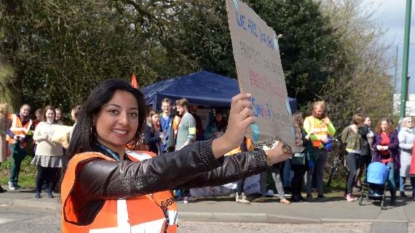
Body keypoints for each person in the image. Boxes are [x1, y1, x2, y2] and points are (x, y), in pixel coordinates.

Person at [61, 79, 292, 233]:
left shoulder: (142, 158)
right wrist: (224, 142)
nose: (125, 121)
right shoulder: (84, 168)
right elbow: (145, 175)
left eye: (133, 114)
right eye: (114, 111)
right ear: (92, 117)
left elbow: (214, 171)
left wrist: (272, 154)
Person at [303, 101, 336, 199]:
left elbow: (333, 132)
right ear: (313, 110)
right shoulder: (308, 120)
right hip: (313, 149)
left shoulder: (325, 120)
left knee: (320, 172)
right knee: (310, 171)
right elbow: (307, 133)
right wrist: (319, 137)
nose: (319, 113)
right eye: (317, 111)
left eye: (321, 111)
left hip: (324, 149)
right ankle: (308, 192)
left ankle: (320, 193)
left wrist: (328, 123)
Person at [31, 105, 63, 198]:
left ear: (54, 114)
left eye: (52, 113)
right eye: (48, 113)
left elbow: (63, 137)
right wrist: (42, 137)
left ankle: (50, 192)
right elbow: (35, 137)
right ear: (45, 114)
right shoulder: (41, 124)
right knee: (41, 173)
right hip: (42, 152)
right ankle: (38, 191)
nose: (50, 115)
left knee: (52, 174)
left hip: (55, 152)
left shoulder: (59, 125)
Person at [373, 117, 400, 205]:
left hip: (390, 158)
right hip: (379, 158)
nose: (384, 126)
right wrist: (377, 146)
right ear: (380, 125)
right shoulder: (377, 134)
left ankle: (393, 196)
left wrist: (388, 147)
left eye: (385, 124)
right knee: (380, 176)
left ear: (388, 125)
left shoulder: (393, 133)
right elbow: (373, 144)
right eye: (382, 124)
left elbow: (396, 144)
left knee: (391, 177)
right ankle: (379, 195)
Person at [6, 104, 32, 190]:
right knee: (16, 160)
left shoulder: (30, 121)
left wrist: (23, 139)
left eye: (28, 110)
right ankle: (11, 181)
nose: (26, 111)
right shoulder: (12, 116)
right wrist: (14, 136)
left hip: (21, 144)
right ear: (20, 109)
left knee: (19, 161)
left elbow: (30, 133)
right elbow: (6, 128)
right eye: (24, 109)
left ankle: (15, 182)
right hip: (11, 142)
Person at [290, 112, 314, 202]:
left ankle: (298, 194)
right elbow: (299, 143)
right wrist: (308, 136)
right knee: (297, 175)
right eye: (303, 119)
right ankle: (294, 195)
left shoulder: (301, 129)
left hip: (303, 155)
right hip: (297, 155)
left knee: (300, 175)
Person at [341, 113, 365, 202]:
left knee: (353, 173)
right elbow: (342, 140)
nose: (363, 123)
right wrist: (345, 153)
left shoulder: (359, 130)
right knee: (353, 172)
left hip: (358, 152)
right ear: (359, 121)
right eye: (362, 121)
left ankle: (346, 192)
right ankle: (349, 194)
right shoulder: (348, 129)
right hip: (350, 153)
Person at [398, 117, 415, 197]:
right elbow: (401, 144)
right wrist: (412, 146)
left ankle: (414, 191)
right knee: (404, 173)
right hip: (406, 155)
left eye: (412, 121)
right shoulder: (402, 132)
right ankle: (402, 190)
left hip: (414, 156)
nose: (411, 123)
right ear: (405, 123)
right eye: (408, 121)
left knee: (414, 174)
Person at [355, 115, 374, 187]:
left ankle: (367, 181)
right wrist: (365, 125)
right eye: (368, 120)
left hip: (370, 151)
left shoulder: (370, 129)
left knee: (369, 167)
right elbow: (363, 134)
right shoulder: (362, 128)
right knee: (360, 167)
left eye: (370, 120)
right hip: (363, 150)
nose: (370, 122)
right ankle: (357, 181)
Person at [0, 103, 10, 193]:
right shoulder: (0, 118)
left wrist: (14, 136)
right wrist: (5, 132)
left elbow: (8, 130)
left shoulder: (6, 119)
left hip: (2, 142)